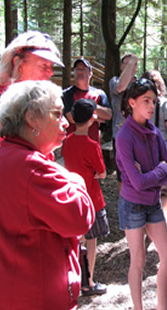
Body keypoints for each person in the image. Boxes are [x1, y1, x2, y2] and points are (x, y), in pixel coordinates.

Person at [0, 80, 95, 310]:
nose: (65, 123)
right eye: (57, 114)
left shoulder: (7, 156)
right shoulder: (30, 167)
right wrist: (77, 180)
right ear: (32, 119)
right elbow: (79, 217)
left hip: (14, 303)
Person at [0, 31, 64, 244]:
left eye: (52, 67)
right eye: (43, 64)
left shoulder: (29, 109)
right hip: (4, 229)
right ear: (18, 63)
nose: (49, 72)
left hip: (30, 222)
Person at [115, 78, 167, 310]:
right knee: (138, 259)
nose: (151, 105)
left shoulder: (155, 132)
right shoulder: (124, 136)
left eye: (153, 101)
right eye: (145, 100)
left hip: (152, 203)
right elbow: (136, 182)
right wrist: (157, 171)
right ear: (132, 102)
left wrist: (154, 172)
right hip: (133, 205)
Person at [62, 98, 110, 296]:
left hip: (73, 196)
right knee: (91, 241)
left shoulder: (66, 142)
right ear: (92, 119)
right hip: (92, 198)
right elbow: (103, 173)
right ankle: (88, 281)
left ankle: (72, 279)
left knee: (77, 240)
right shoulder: (92, 145)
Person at [142, 70, 167, 210]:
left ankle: (147, 222)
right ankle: (159, 216)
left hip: (143, 152)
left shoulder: (138, 104)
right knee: (166, 190)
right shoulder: (164, 103)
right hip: (163, 152)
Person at [62, 58, 112, 142]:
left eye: (83, 69)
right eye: (77, 69)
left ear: (90, 74)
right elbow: (72, 118)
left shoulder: (99, 94)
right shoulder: (66, 94)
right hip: (72, 144)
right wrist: (96, 117)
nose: (80, 72)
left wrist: (91, 106)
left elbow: (108, 115)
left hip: (94, 143)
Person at [109, 53, 138, 189]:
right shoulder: (114, 81)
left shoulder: (140, 84)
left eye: (134, 64)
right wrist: (132, 61)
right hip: (120, 135)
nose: (131, 67)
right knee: (122, 173)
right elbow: (121, 86)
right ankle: (123, 204)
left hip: (139, 135)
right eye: (127, 64)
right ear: (121, 67)